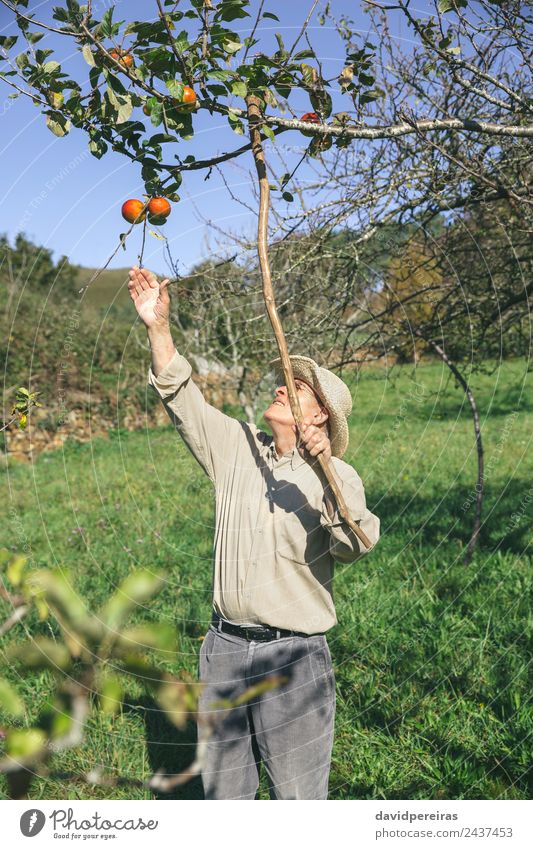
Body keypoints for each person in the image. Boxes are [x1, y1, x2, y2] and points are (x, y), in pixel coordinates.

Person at [128, 265, 380, 800]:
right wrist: (157, 327)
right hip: (222, 649)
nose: (280, 387)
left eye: (297, 387)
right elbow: (182, 398)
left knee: (297, 803)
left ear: (322, 417)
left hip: (292, 657)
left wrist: (324, 472)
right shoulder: (238, 447)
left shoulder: (338, 478)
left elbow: (357, 543)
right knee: (225, 801)